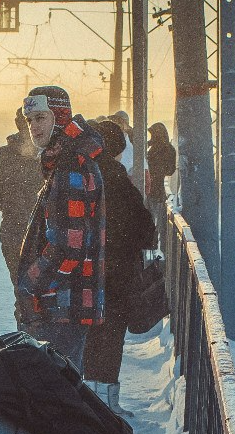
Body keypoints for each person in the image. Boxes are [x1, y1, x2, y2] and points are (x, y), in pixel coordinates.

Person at [16, 85, 106, 374]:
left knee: (54, 399)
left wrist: (30, 283)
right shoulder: (70, 159)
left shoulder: (69, 167)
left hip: (60, 308)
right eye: (30, 120)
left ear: (60, 117)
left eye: (41, 117)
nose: (33, 127)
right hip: (69, 304)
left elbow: (69, 245)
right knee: (64, 393)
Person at [84, 120, 157, 416]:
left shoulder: (84, 172)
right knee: (112, 335)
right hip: (117, 271)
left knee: (91, 335)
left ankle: (91, 399)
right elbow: (143, 227)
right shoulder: (115, 176)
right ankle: (108, 403)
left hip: (89, 269)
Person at [0, 107, 43, 308]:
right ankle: (39, 326)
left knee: (20, 284)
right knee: (44, 284)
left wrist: (13, 209)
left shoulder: (4, 154)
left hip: (13, 227)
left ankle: (25, 323)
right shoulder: (47, 153)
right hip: (43, 228)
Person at [145, 122, 178, 209]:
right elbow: (171, 170)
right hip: (157, 190)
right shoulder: (168, 148)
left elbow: (170, 170)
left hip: (153, 189)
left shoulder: (158, 148)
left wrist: (156, 170)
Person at [110, 110, 136, 179]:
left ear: (123, 123)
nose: (114, 123)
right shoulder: (114, 136)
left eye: (117, 121)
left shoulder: (132, 136)